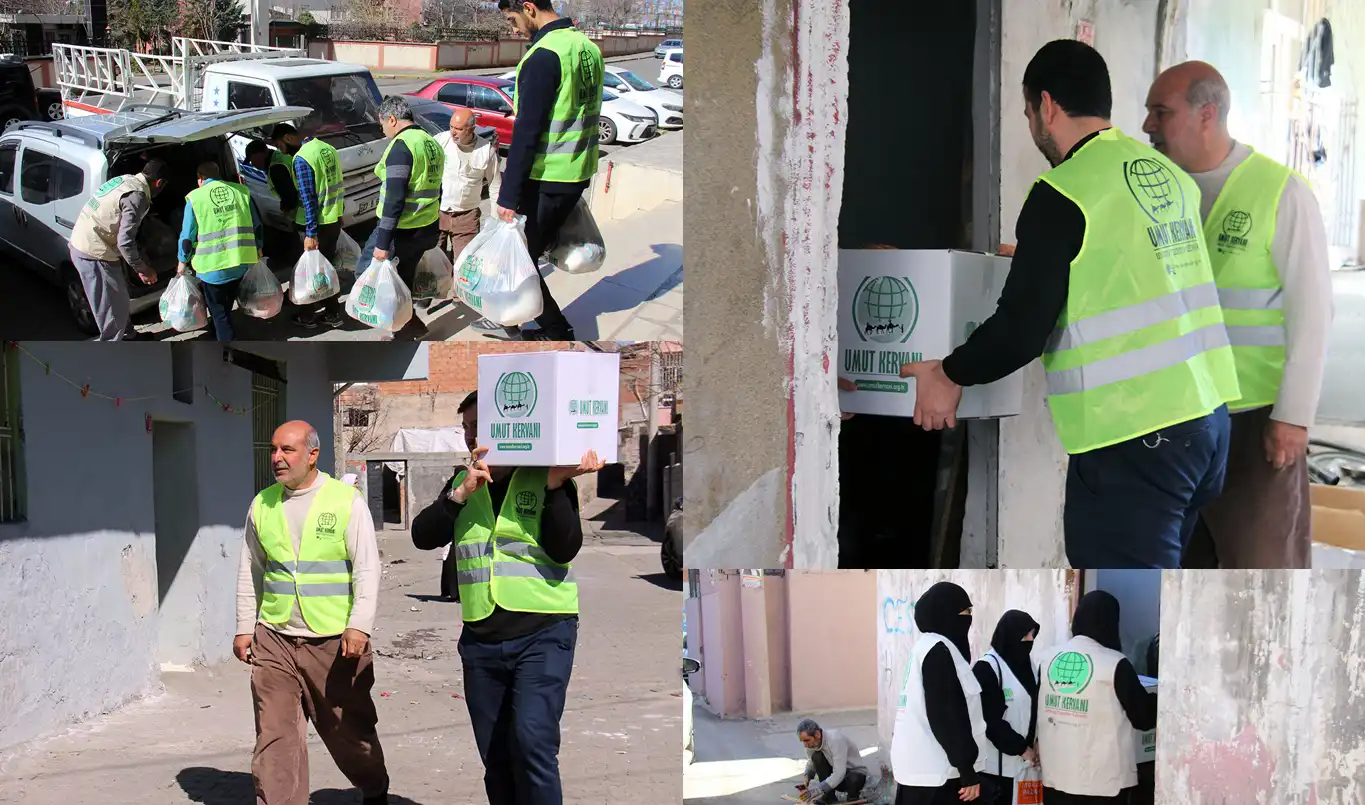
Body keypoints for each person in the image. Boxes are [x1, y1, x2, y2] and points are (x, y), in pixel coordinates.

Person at [899, 39, 1240, 569]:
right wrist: (1038, 259)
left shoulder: (1063, 192)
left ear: (1048, 106)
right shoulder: (1168, 175)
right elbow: (1137, 268)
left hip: (1136, 436)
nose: (1034, 124)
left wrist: (948, 375)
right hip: (1207, 422)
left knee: (1123, 600)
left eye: (1030, 110)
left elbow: (1020, 331)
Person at [1143, 61, 1334, 570]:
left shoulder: (1281, 192)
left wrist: (1292, 416)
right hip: (1177, 419)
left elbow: (1312, 312)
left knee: (1261, 568)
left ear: (1207, 114)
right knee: (1187, 567)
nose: (1147, 126)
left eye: (1160, 112)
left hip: (1255, 423)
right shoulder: (1155, 194)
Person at [410, 390, 605, 805]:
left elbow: (564, 548)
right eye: (465, 428)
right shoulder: (463, 482)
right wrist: (459, 495)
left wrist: (555, 487)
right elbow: (422, 536)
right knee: (496, 756)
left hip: (543, 632)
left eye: (478, 425)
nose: (469, 435)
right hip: (482, 638)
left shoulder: (546, 475)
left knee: (533, 742)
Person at [234, 421, 389, 805]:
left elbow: (368, 567)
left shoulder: (344, 501)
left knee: (349, 734)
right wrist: (244, 626)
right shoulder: (262, 504)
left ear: (312, 454)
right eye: (274, 450)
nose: (277, 458)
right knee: (275, 736)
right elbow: (250, 569)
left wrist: (359, 625)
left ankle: (374, 789)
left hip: (334, 641)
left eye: (287, 450)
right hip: (275, 637)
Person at [494, 0, 605, 340]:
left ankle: (556, 331)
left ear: (529, 7)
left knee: (521, 262)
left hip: (546, 177)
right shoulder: (586, 47)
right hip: (575, 173)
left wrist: (508, 196)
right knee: (528, 254)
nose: (512, 29)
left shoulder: (545, 55)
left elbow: (527, 132)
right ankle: (509, 317)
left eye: (513, 19)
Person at [1034, 591, 1157, 805]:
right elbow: (1143, 717)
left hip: (1056, 777)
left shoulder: (1047, 659)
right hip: (1102, 783)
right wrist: (1160, 699)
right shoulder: (1115, 663)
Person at [890, 581, 990, 805]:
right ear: (947, 615)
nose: (969, 618)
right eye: (965, 612)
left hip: (924, 770)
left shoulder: (926, 647)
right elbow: (946, 715)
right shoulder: (938, 651)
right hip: (937, 774)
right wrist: (967, 770)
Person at [355, 96, 444, 340]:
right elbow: (438, 187)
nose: (382, 129)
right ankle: (407, 329)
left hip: (401, 230)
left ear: (392, 119)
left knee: (365, 273)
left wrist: (383, 243)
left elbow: (394, 198)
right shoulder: (431, 143)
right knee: (401, 280)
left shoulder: (402, 146)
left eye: (382, 124)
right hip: (425, 227)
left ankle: (404, 325)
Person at [68, 158, 170, 341]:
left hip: (92, 241)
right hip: (93, 252)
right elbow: (125, 242)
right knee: (110, 309)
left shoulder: (127, 179)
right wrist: (142, 269)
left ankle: (128, 336)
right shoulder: (137, 196)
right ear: (159, 183)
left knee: (118, 300)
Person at [178, 161, 265, 341]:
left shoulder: (195, 198)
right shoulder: (241, 192)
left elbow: (187, 237)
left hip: (212, 269)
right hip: (240, 262)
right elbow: (257, 226)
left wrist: (182, 261)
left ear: (200, 179)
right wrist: (259, 248)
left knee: (218, 313)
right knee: (227, 302)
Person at [274, 122, 348, 330]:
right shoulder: (327, 149)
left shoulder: (302, 159)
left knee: (309, 272)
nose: (281, 151)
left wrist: (310, 232)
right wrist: (339, 213)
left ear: (289, 139)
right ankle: (333, 313)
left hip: (315, 225)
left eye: (280, 146)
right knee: (326, 269)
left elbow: (309, 199)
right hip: (332, 219)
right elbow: (337, 183)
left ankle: (307, 316)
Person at [971, 611, 1041, 805]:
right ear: (1009, 635)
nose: (1030, 640)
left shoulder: (1030, 666)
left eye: (1032, 635)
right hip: (996, 771)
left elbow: (1034, 709)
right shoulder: (987, 668)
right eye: (1025, 635)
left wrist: (1036, 742)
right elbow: (989, 720)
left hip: (1026, 766)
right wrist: (1021, 748)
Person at [435, 107, 502, 262]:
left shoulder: (486, 151)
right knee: (434, 265)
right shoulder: (441, 141)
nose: (453, 132)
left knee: (464, 266)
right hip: (438, 213)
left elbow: (494, 185)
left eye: (458, 129)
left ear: (472, 129)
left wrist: (495, 220)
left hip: (466, 217)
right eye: (451, 127)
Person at [796, 718, 870, 803]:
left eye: (807, 740)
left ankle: (853, 797)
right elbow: (811, 762)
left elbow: (839, 773)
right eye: (803, 741)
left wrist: (817, 790)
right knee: (817, 757)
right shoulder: (811, 744)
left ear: (817, 734)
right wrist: (807, 777)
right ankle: (829, 797)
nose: (805, 745)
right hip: (837, 779)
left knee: (855, 777)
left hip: (854, 777)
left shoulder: (835, 740)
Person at [243, 138, 301, 221]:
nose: (252, 164)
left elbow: (289, 195)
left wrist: (286, 210)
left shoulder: (276, 167)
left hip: (301, 213)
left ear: (260, 154)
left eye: (252, 159)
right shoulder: (279, 155)